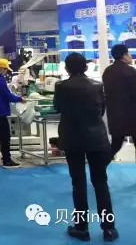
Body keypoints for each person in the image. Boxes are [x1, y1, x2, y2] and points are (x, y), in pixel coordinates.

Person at [54, 53, 118, 242]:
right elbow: (102, 109)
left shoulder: (61, 86)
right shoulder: (97, 86)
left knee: (78, 183)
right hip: (96, 138)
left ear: (67, 68)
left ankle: (81, 228)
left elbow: (58, 108)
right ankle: (109, 228)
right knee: (100, 182)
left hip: (72, 139)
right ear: (86, 67)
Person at [102, 44, 136, 158]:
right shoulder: (131, 72)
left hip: (115, 115)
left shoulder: (107, 71)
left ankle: (99, 165)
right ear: (124, 55)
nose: (131, 56)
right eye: (129, 54)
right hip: (132, 115)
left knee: (115, 145)